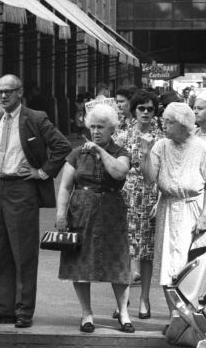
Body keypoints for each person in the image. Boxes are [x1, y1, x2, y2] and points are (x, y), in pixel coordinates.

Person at [0, 74, 71, 329]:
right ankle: (3, 308)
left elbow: (62, 147)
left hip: (22, 190)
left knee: (23, 253)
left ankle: (23, 311)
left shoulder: (35, 118)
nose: (3, 96)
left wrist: (41, 172)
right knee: (0, 252)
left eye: (8, 91)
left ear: (20, 92)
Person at [54, 104, 133, 333]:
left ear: (112, 129)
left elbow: (119, 172)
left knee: (118, 262)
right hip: (81, 211)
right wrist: (61, 214)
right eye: (93, 126)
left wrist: (100, 150)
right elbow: (66, 186)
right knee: (80, 262)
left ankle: (124, 314)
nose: (96, 131)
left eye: (101, 127)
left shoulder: (120, 152)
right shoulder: (77, 153)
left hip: (111, 213)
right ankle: (87, 314)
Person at [141, 103, 206, 313]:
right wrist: (145, 153)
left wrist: (204, 217)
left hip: (193, 209)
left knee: (191, 264)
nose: (163, 124)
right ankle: (174, 316)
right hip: (168, 208)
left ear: (182, 124)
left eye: (169, 122)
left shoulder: (201, 147)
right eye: (164, 120)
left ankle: (192, 315)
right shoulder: (161, 145)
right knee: (168, 264)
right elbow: (150, 178)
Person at [114, 90, 162, 319]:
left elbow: (165, 172)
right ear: (134, 110)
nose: (145, 112)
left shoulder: (160, 138)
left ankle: (144, 299)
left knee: (147, 252)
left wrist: (160, 197)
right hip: (126, 196)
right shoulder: (122, 136)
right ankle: (122, 301)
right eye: (141, 108)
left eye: (150, 109)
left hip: (150, 196)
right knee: (125, 249)